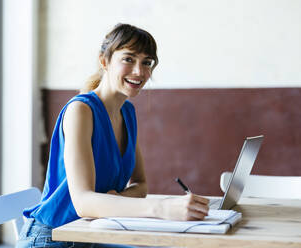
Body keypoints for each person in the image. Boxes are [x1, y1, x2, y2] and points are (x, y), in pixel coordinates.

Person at [16, 23, 209, 248]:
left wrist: (113, 201)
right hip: (53, 237)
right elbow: (83, 203)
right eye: (128, 59)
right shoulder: (80, 110)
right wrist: (163, 208)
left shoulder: (127, 111)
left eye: (147, 63)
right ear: (104, 61)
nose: (140, 71)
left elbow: (141, 184)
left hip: (94, 233)